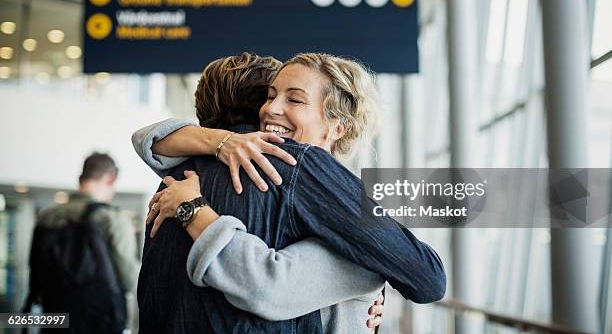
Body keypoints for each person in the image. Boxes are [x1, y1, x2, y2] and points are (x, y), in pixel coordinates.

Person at [137, 53, 446, 333]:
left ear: (339, 127)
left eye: (295, 100)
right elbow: (268, 285)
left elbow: (148, 140)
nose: (272, 108)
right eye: (270, 96)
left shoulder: (177, 175)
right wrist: (374, 274)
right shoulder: (292, 165)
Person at [28, 153, 139, 333]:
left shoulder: (46, 216)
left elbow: (35, 276)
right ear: (110, 179)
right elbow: (128, 279)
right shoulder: (112, 219)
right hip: (99, 322)